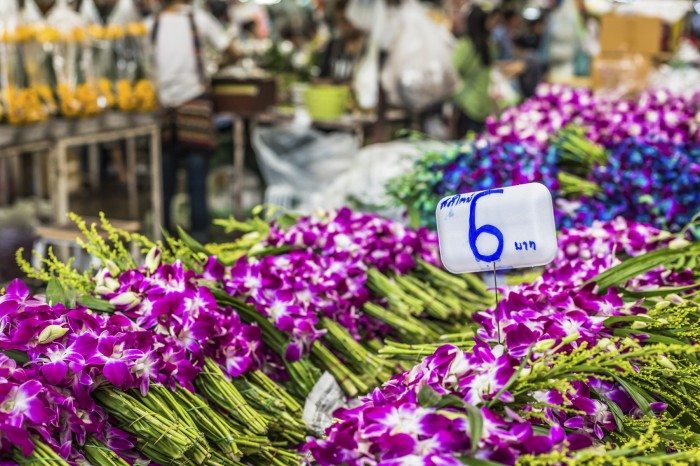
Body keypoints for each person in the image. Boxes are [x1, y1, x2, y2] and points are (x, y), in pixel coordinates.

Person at [147, 0, 234, 242]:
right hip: (194, 106)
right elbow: (230, 47)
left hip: (163, 110)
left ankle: (163, 236)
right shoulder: (199, 19)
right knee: (197, 181)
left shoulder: (152, 24)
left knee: (165, 182)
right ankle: (199, 238)